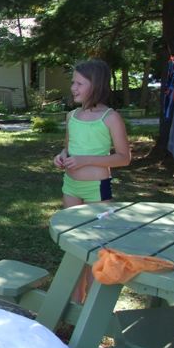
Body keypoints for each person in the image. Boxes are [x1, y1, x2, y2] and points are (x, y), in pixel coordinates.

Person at [53, 59, 131, 301]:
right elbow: (68, 148)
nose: (73, 88)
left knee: (97, 248)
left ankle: (93, 306)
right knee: (75, 246)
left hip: (98, 189)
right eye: (72, 83)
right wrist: (61, 156)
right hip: (71, 186)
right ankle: (77, 302)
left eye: (79, 83)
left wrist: (86, 160)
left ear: (94, 85)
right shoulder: (72, 116)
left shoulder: (110, 117)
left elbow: (124, 158)